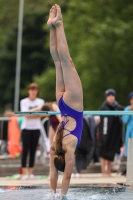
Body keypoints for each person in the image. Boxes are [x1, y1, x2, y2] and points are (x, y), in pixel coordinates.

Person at [47, 4, 83, 198]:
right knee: (57, 60)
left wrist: (62, 197)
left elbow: (66, 178)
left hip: (74, 104)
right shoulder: (54, 147)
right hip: (61, 101)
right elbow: (53, 174)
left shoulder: (68, 150)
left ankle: (58, 24)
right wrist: (52, 193)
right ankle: (52, 26)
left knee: (66, 60)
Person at [20, 83, 44, 180]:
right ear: (28, 91)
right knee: (25, 150)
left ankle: (30, 173)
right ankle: (24, 172)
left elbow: (43, 115)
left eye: (35, 90)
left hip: (36, 128)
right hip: (26, 128)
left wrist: (32, 114)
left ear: (37, 91)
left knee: (33, 150)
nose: (33, 92)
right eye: (31, 89)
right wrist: (36, 112)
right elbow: (26, 115)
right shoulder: (24, 101)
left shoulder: (41, 101)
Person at [98, 89, 124, 177]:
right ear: (106, 97)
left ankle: (108, 172)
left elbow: (125, 110)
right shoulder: (103, 108)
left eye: (112, 96)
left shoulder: (116, 107)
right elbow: (103, 124)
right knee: (103, 152)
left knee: (110, 153)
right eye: (109, 96)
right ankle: (103, 172)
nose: (111, 97)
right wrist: (104, 135)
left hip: (114, 135)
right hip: (105, 134)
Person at [122, 92, 133, 158]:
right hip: (130, 133)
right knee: (130, 151)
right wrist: (129, 111)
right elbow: (124, 120)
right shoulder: (127, 108)